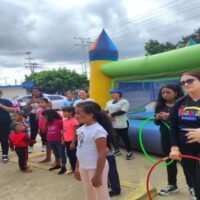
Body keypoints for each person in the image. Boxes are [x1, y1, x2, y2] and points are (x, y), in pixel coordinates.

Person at [154, 84, 193, 196]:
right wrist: (158, 118)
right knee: (169, 162)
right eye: (163, 93)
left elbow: (186, 122)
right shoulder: (160, 106)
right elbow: (156, 123)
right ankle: (172, 184)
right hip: (166, 138)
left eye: (168, 92)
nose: (165, 95)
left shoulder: (183, 104)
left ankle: (192, 186)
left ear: (175, 92)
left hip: (181, 138)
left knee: (187, 163)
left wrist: (170, 117)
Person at [169, 72, 200, 200]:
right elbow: (174, 127)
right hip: (186, 149)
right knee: (195, 180)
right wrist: (174, 147)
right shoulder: (180, 102)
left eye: (190, 81)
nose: (186, 84)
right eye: (183, 83)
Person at [74, 101, 110, 200]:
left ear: (90, 115)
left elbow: (102, 153)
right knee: (89, 194)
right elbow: (80, 149)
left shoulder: (98, 130)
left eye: (78, 113)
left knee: (101, 196)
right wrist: (77, 167)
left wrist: (98, 175)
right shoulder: (81, 129)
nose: (76, 116)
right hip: (83, 166)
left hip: (95, 168)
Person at [105, 89, 134, 160]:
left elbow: (123, 111)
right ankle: (117, 150)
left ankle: (130, 152)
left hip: (122, 122)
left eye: (115, 93)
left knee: (125, 138)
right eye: (112, 93)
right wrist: (107, 115)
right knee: (115, 137)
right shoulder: (109, 102)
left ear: (119, 94)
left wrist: (111, 115)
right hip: (112, 122)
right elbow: (106, 110)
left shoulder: (124, 101)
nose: (113, 94)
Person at [42, 109, 64, 174]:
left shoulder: (59, 122)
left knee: (61, 153)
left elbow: (63, 130)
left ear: (50, 115)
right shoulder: (47, 122)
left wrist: (62, 139)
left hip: (58, 139)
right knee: (55, 152)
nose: (44, 117)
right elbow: (44, 131)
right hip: (50, 139)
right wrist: (44, 122)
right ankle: (58, 164)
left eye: (45, 116)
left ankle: (63, 166)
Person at [62, 106, 79, 174]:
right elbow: (64, 130)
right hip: (66, 140)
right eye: (63, 112)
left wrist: (73, 143)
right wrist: (62, 139)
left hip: (72, 141)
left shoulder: (74, 121)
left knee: (74, 156)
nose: (63, 114)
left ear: (71, 112)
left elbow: (76, 133)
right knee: (69, 155)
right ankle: (73, 168)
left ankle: (77, 169)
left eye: (65, 112)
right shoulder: (65, 120)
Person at [26, 87, 43, 153]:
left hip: (42, 115)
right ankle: (31, 146)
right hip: (33, 116)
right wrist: (29, 103)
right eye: (33, 91)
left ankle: (44, 145)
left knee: (43, 131)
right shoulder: (30, 99)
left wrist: (39, 102)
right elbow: (27, 110)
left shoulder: (44, 98)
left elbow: (49, 107)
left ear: (40, 91)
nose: (35, 93)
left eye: (36, 91)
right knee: (33, 131)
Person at [0, 90, 15, 162]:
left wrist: (1, 106)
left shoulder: (6, 101)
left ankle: (5, 155)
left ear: (1, 94)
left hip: (4, 124)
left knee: (4, 139)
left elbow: (12, 110)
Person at [36, 97, 52, 162]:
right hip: (42, 129)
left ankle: (54, 159)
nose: (40, 104)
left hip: (49, 130)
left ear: (47, 103)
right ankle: (48, 157)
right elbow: (39, 121)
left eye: (42, 102)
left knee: (51, 144)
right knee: (46, 143)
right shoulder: (39, 111)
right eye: (39, 103)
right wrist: (39, 129)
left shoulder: (50, 111)